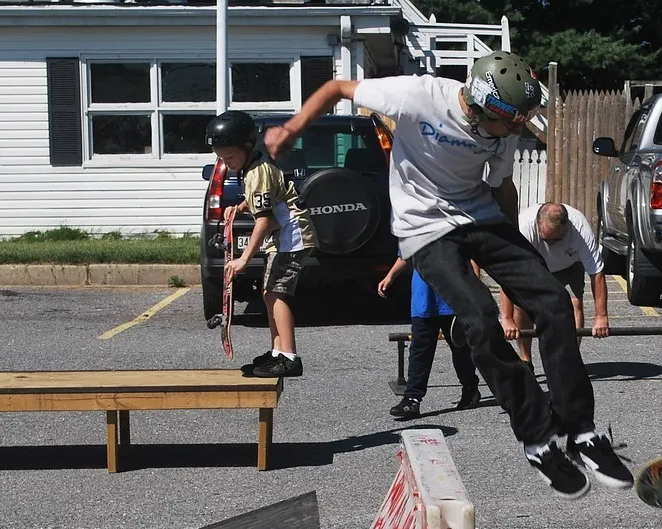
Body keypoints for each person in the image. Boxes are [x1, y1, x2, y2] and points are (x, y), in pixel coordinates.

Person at [265, 51, 632, 498]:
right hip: (424, 230)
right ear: (479, 109)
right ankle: (536, 438)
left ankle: (580, 431)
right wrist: (292, 128)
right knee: (478, 317)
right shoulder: (418, 96)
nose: (517, 131)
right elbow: (338, 88)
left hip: (480, 217)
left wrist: (514, 253)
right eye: (510, 124)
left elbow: (501, 185)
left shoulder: (505, 125)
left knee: (553, 301)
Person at [207, 110, 314, 378]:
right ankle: (277, 351)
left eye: (230, 157)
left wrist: (244, 259)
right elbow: (265, 199)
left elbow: (264, 221)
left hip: (293, 237)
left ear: (246, 146)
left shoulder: (257, 172)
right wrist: (240, 207)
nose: (227, 163)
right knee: (269, 293)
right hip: (283, 238)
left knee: (276, 294)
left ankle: (289, 357)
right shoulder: (253, 167)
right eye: (221, 158)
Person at [502, 202, 610, 364]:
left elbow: (597, 274)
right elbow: (508, 274)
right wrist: (507, 318)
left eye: (556, 239)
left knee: (574, 303)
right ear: (538, 226)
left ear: (566, 228)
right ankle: (526, 360)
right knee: (522, 306)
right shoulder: (523, 227)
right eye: (546, 239)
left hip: (569, 264)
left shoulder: (580, 228)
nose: (551, 245)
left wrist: (601, 316)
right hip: (534, 265)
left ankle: (570, 359)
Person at [379, 255, 482, 418]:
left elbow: (469, 256)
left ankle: (470, 388)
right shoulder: (413, 230)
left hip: (453, 300)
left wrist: (475, 290)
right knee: (419, 353)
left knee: (461, 350)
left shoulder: (451, 229)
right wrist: (390, 276)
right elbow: (405, 254)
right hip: (423, 300)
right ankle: (412, 399)